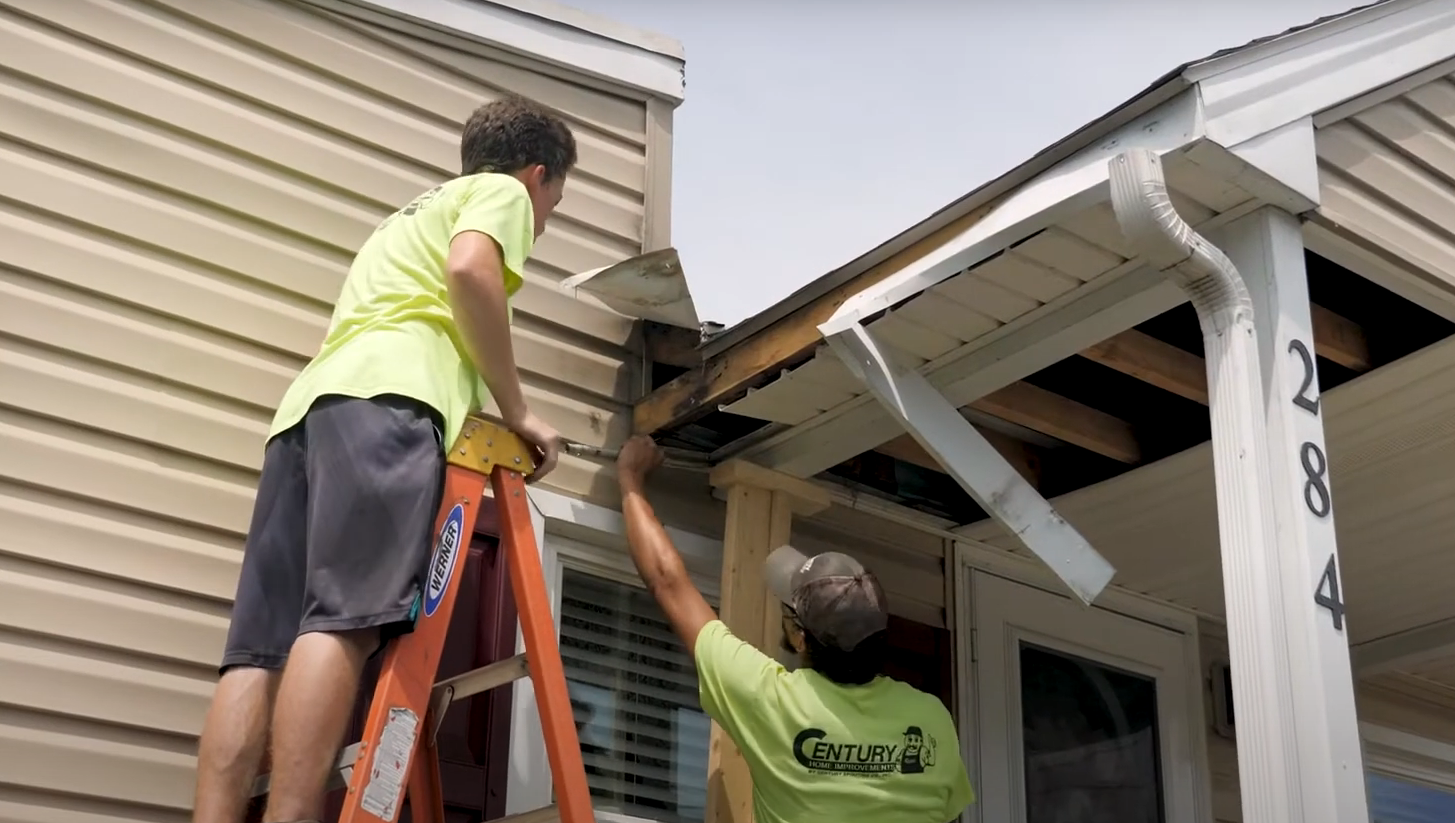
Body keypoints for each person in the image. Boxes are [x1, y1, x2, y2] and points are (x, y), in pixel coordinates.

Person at [190, 94, 577, 823]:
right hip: (390, 404)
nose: (546, 217)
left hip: (306, 412)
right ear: (536, 174)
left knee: (259, 649)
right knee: (340, 622)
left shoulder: (404, 218)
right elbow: (470, 269)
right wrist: (518, 408)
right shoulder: (498, 194)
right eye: (555, 199)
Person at [614, 435, 976, 823]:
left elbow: (668, 582)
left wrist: (630, 479)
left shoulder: (772, 702)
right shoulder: (931, 719)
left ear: (802, 636)